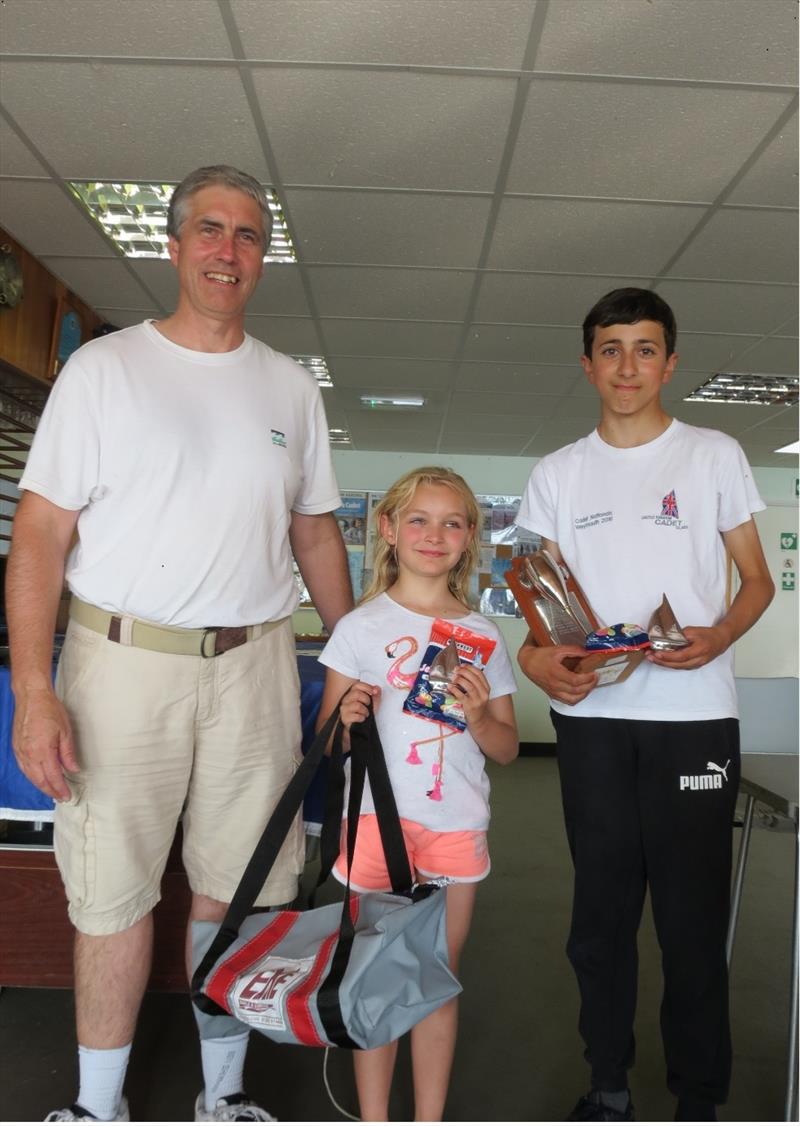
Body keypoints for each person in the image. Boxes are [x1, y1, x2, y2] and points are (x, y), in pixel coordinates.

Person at [6, 165, 353, 1123]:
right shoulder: (105, 369)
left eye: (247, 236)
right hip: (122, 662)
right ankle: (97, 1107)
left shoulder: (289, 387)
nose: (227, 251)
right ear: (173, 245)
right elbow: (39, 532)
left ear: (262, 258)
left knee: (233, 887)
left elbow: (315, 532)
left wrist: (356, 652)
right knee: (112, 895)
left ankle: (225, 1098)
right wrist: (36, 688)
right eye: (210, 229)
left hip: (255, 665)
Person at [515, 288, 774, 1122]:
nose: (629, 365)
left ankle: (701, 1097)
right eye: (612, 349)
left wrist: (720, 634)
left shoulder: (714, 455)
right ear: (588, 363)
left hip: (694, 716)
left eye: (646, 348)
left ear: (671, 362)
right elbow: (539, 597)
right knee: (601, 914)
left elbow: (758, 581)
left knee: (692, 924)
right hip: (592, 721)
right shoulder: (557, 472)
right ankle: (609, 1082)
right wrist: (542, 659)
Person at [315, 467, 519, 1121]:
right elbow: (324, 742)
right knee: (376, 973)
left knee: (435, 977)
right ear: (389, 530)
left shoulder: (485, 637)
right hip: (376, 820)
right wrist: (346, 718)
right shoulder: (359, 627)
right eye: (420, 520)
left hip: (455, 823)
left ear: (469, 538)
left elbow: (507, 747)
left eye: (452, 522)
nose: (435, 534)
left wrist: (482, 716)